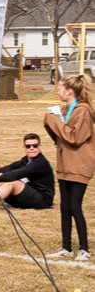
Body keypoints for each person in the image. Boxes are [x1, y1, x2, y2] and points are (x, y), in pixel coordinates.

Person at [43, 72, 95, 261]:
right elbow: (60, 137)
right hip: (65, 163)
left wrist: (53, 120)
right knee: (64, 207)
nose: (57, 92)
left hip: (79, 164)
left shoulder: (83, 111)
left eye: (60, 88)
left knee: (75, 206)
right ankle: (66, 247)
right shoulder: (67, 110)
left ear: (70, 91)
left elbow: (75, 137)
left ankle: (84, 249)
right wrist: (51, 121)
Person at [0, 132, 54, 212]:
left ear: (40, 146)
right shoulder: (24, 161)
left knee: (13, 182)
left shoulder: (41, 163)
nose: (31, 148)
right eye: (28, 146)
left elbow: (15, 175)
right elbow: (4, 170)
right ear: (24, 148)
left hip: (42, 201)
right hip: (25, 196)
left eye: (35, 145)